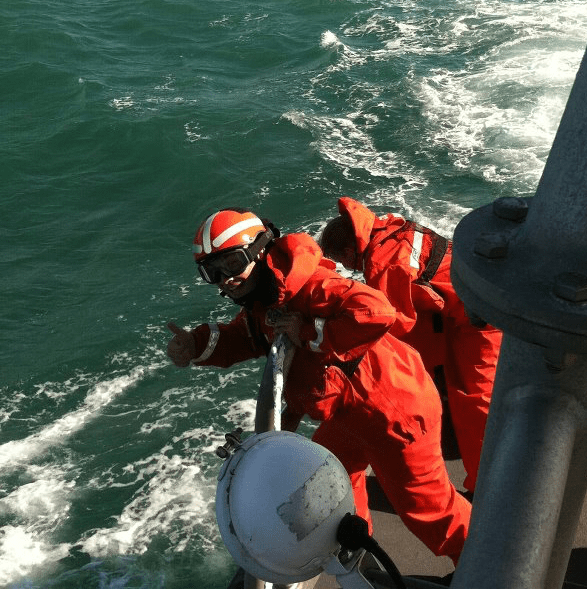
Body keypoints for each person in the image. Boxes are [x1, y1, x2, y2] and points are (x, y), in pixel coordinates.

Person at [167, 208, 471, 566]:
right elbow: (246, 336)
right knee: (330, 478)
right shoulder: (268, 297)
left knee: (428, 508)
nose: (225, 280)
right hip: (353, 414)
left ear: (261, 251)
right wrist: (198, 344)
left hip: (394, 412)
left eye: (232, 264)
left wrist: (309, 332)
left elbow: (377, 312)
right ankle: (356, 550)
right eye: (212, 272)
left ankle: (483, 569)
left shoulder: (312, 286)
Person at [318, 197, 502, 495]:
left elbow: (393, 324)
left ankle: (490, 489)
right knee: (452, 383)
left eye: (343, 261)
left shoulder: (382, 263)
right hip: (468, 300)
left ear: (352, 251)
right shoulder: (390, 229)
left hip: (481, 316)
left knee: (474, 400)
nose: (345, 267)